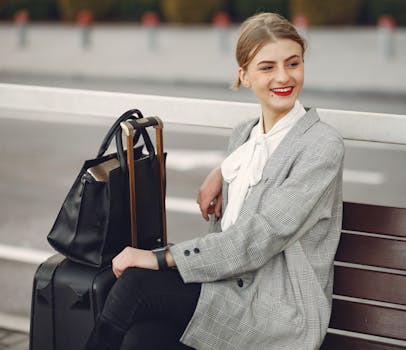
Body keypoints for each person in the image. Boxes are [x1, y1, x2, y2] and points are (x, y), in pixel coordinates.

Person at [86, 12, 344, 350]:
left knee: (137, 285)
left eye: (293, 64)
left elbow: (258, 238)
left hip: (278, 311)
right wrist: (221, 170)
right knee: (141, 340)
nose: (283, 77)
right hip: (229, 288)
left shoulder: (322, 145)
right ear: (245, 76)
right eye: (267, 67)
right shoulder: (242, 139)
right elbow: (258, 160)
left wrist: (161, 257)